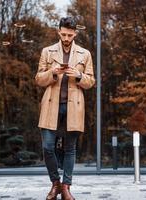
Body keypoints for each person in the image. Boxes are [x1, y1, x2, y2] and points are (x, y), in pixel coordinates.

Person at [35, 17, 95, 200]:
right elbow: (38, 79)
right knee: (47, 147)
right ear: (58, 31)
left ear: (75, 33)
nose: (66, 37)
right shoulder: (47, 51)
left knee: (70, 148)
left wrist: (78, 75)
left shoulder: (85, 54)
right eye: (63, 34)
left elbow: (91, 81)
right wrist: (52, 72)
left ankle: (66, 187)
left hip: (74, 107)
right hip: (51, 105)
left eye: (70, 34)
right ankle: (56, 184)